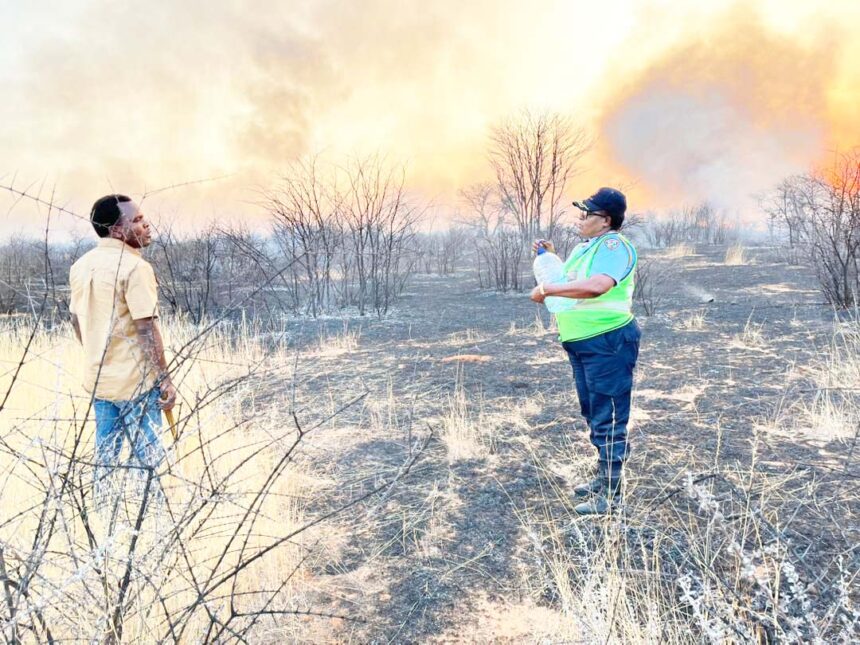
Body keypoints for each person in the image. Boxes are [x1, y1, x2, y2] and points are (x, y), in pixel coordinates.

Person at [530, 187, 640, 515]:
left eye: (587, 213)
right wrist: (550, 258)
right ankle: (604, 476)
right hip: (581, 342)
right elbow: (572, 281)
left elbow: (596, 286)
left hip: (607, 341)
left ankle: (611, 494)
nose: (581, 218)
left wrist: (547, 289)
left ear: (605, 220)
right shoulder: (586, 248)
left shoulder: (613, 245)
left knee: (608, 416)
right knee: (593, 412)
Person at [69, 195, 176, 504]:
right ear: (117, 231)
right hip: (135, 383)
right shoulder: (135, 268)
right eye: (138, 220)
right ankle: (155, 524)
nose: (146, 225)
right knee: (149, 463)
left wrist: (95, 353)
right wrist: (165, 379)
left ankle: (103, 520)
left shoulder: (80, 266)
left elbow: (76, 320)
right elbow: (145, 328)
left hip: (99, 381)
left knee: (105, 461)